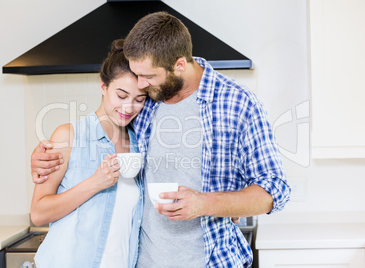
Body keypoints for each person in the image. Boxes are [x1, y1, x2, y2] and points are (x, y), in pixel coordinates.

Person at [31, 12, 291, 268]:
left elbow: (274, 191)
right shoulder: (146, 104)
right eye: (136, 76)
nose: (140, 85)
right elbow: (102, 127)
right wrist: (44, 157)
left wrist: (206, 203)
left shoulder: (238, 104)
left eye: (148, 77)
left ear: (178, 65)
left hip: (212, 261)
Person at [30, 39, 147, 268]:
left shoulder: (138, 143)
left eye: (139, 100)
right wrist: (94, 183)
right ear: (103, 86)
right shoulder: (68, 135)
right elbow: (39, 213)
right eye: (121, 96)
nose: (129, 107)